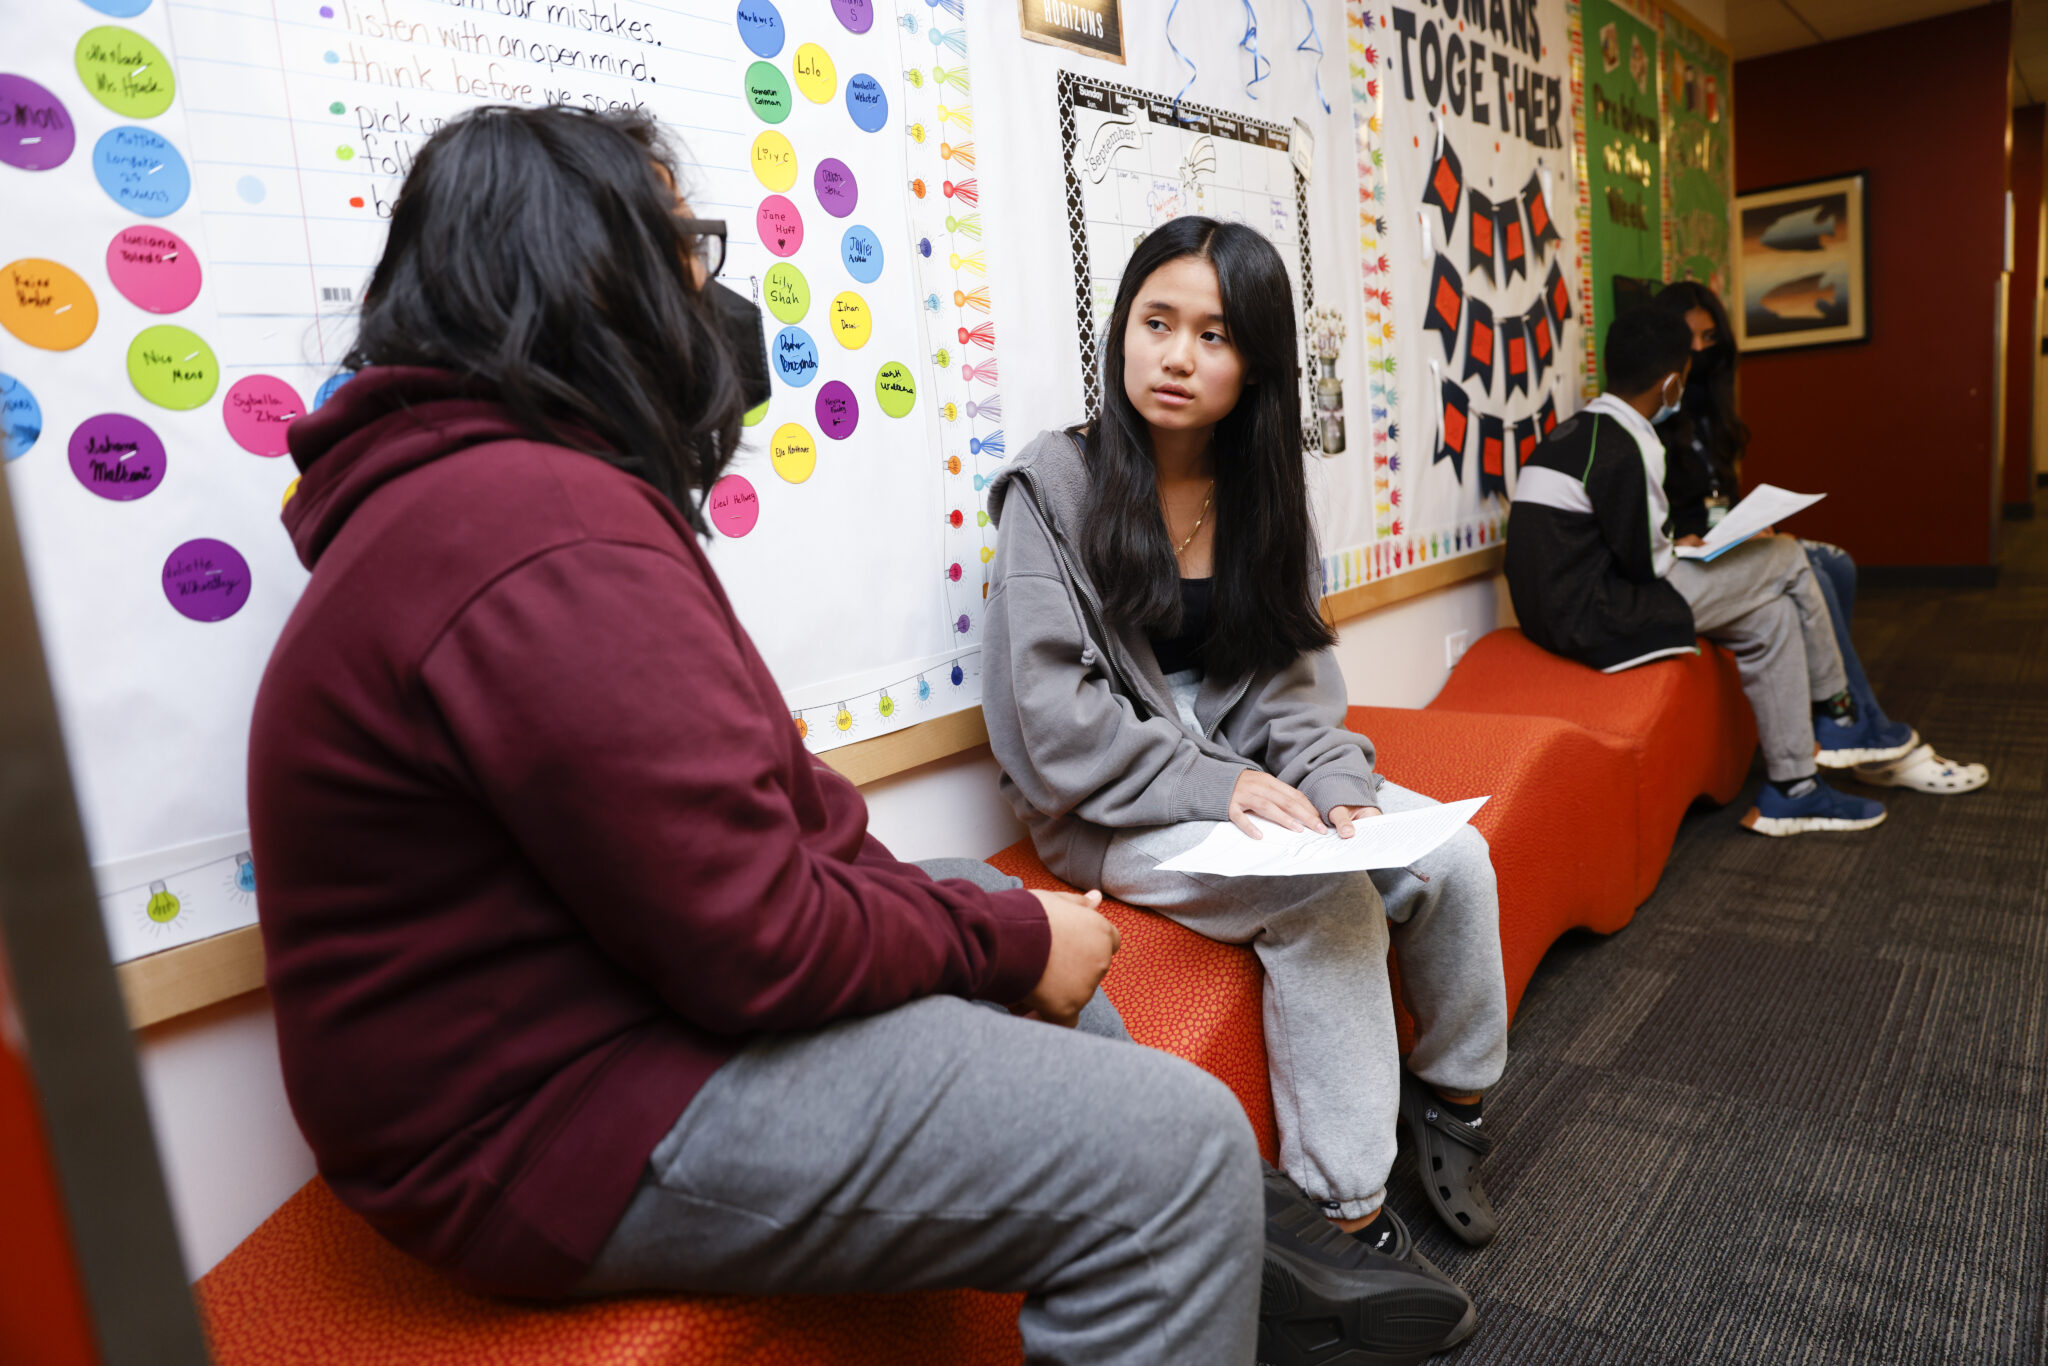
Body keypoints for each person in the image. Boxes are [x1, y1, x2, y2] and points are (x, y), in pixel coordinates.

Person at [238, 105, 1403, 1366]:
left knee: (951, 889)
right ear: (586, 272)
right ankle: (1188, 1218)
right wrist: (1013, 930)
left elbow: (769, 803)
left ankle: (1237, 1259)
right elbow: (752, 932)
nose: (711, 295)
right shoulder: (536, 525)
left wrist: (965, 915)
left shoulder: (512, 492)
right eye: (687, 251)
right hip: (541, 1120)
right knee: (1171, 1141)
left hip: (592, 1019)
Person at [981, 214, 1501, 1364]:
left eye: (1212, 335)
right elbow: (1048, 723)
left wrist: (1339, 789)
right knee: (1328, 901)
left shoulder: (1257, 491)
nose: (1174, 355)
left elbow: (1295, 685)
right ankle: (1343, 1221)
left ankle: (1455, 1101)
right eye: (1154, 322)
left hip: (1247, 783)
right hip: (1114, 812)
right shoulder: (1051, 484)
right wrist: (1220, 787)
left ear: (1253, 362)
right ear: (1119, 330)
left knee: (1448, 855)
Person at [1506, 306, 1908, 835]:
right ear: (1673, 383)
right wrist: (1691, 551)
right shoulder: (1630, 443)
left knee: (1774, 614)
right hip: (1594, 618)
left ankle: (1794, 787)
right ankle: (1837, 713)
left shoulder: (1579, 431)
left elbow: (1616, 540)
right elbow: (1647, 566)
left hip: (1560, 608)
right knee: (1788, 555)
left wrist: (1683, 546)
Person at [1651, 281, 1988, 795]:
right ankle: (1852, 719)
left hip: (1724, 547)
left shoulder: (1709, 413)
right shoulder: (1650, 415)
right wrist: (1701, 534)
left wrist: (1749, 524)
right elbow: (1657, 520)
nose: (1700, 350)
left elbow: (1718, 498)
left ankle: (1844, 722)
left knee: (1838, 563)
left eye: (1709, 337)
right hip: (1688, 566)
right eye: (1687, 338)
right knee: (1809, 567)